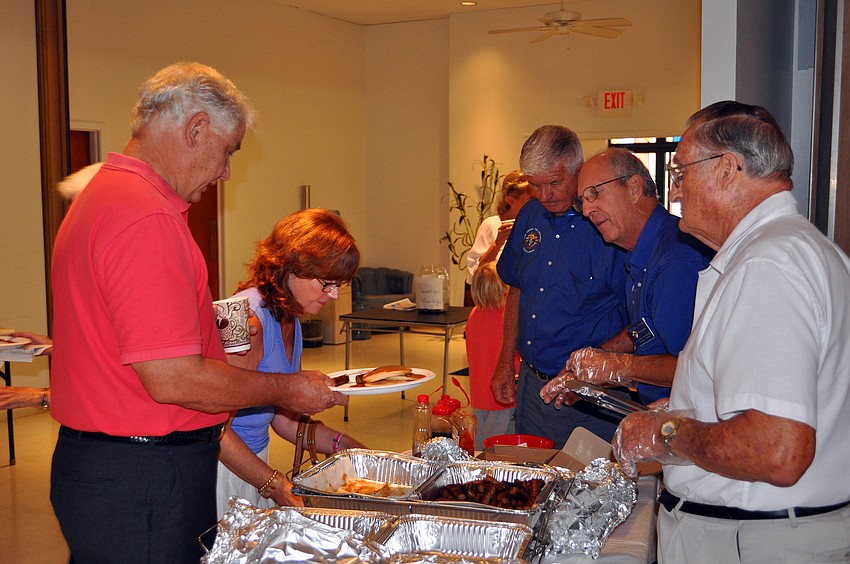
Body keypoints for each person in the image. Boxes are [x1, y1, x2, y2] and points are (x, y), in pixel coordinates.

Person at [49, 62, 347, 563]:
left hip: (112, 465)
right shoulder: (145, 216)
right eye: (229, 152)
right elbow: (175, 379)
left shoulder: (105, 195)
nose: (227, 171)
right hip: (142, 472)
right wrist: (287, 388)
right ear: (196, 129)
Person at [612, 102, 850, 563]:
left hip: (752, 541)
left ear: (725, 169)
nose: (675, 193)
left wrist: (666, 431)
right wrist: (694, 406)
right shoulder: (807, 250)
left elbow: (776, 449)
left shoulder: (767, 265)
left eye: (681, 173)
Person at [217, 209, 366, 516]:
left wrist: (348, 446)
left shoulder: (290, 318)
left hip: (253, 467)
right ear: (291, 266)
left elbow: (282, 418)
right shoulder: (249, 322)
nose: (335, 295)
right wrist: (277, 486)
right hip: (224, 473)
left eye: (340, 284)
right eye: (327, 283)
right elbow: (216, 432)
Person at [491, 125, 629, 447]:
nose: (545, 195)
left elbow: (637, 325)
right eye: (535, 185)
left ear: (577, 169)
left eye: (554, 183)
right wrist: (503, 361)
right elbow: (517, 289)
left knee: (586, 489)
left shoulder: (606, 224)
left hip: (587, 395)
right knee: (531, 485)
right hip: (531, 385)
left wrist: (586, 372)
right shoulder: (529, 216)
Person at [539, 149, 711, 407]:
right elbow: (646, 330)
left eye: (594, 194)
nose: (586, 210)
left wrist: (617, 367)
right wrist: (594, 364)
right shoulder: (642, 253)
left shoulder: (675, 260)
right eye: (582, 201)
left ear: (633, 188)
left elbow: (694, 368)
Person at [465, 262, 517, 450]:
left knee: (480, 443)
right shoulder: (508, 316)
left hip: (479, 393)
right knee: (500, 446)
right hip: (503, 395)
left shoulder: (473, 315)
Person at [466, 170, 532, 283]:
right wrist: (497, 243)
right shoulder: (492, 225)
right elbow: (477, 273)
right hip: (494, 295)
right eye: (530, 200)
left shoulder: (534, 225)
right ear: (510, 200)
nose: (535, 204)